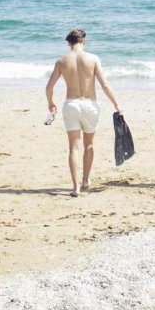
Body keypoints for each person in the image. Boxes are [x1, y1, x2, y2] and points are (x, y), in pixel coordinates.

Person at [45, 28, 122, 197]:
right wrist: (117, 104)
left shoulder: (61, 61)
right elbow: (105, 85)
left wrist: (51, 102)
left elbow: (49, 87)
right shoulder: (93, 59)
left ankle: (75, 188)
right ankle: (85, 180)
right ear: (83, 41)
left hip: (71, 105)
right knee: (89, 144)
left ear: (68, 42)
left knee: (73, 147)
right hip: (90, 105)